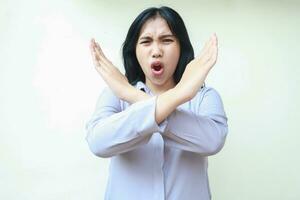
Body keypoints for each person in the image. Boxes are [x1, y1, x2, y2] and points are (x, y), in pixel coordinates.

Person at [86, 6, 228, 200]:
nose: (156, 51)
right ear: (134, 50)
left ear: (181, 47)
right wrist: (177, 95)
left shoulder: (204, 96)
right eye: (146, 41)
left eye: (167, 40)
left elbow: (212, 141)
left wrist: (134, 96)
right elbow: (98, 142)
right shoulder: (115, 94)